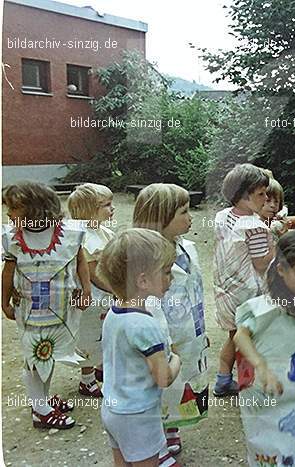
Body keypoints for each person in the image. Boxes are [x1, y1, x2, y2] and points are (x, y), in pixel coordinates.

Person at [234, 230, 295, 466]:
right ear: (281, 269)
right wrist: (261, 366)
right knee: (266, 439)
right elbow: (241, 336)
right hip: (268, 392)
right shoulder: (266, 308)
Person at [2, 182, 90, 430]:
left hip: (60, 309)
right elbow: (7, 274)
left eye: (14, 209)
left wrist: (86, 289)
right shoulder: (13, 239)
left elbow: (80, 261)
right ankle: (40, 409)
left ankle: (42, 398)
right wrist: (4, 301)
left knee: (48, 353)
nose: (8, 214)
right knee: (33, 356)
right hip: (30, 312)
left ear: (36, 209)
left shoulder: (69, 233)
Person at [133, 183, 209, 458]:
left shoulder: (187, 247)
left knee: (186, 381)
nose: (190, 218)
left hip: (191, 331)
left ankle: (172, 426)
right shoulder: (146, 258)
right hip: (163, 336)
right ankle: (156, 438)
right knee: (161, 386)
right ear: (160, 216)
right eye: (183, 212)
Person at [98, 228, 182, 467]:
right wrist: (176, 359)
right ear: (143, 280)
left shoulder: (114, 313)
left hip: (113, 408)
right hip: (139, 415)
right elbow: (163, 378)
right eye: (166, 272)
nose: (171, 278)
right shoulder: (146, 325)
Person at [213, 164, 274, 397]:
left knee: (233, 336)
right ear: (243, 197)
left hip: (226, 290)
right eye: (261, 194)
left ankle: (222, 379)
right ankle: (250, 387)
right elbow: (261, 263)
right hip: (248, 296)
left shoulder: (222, 217)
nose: (266, 198)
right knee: (251, 341)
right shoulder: (255, 227)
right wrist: (276, 248)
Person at [67, 183, 116, 398]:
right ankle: (86, 379)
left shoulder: (103, 232)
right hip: (93, 296)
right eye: (106, 205)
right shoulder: (83, 237)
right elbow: (93, 272)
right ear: (89, 210)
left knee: (106, 333)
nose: (112, 208)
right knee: (91, 336)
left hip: (107, 293)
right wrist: (115, 288)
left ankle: (100, 367)